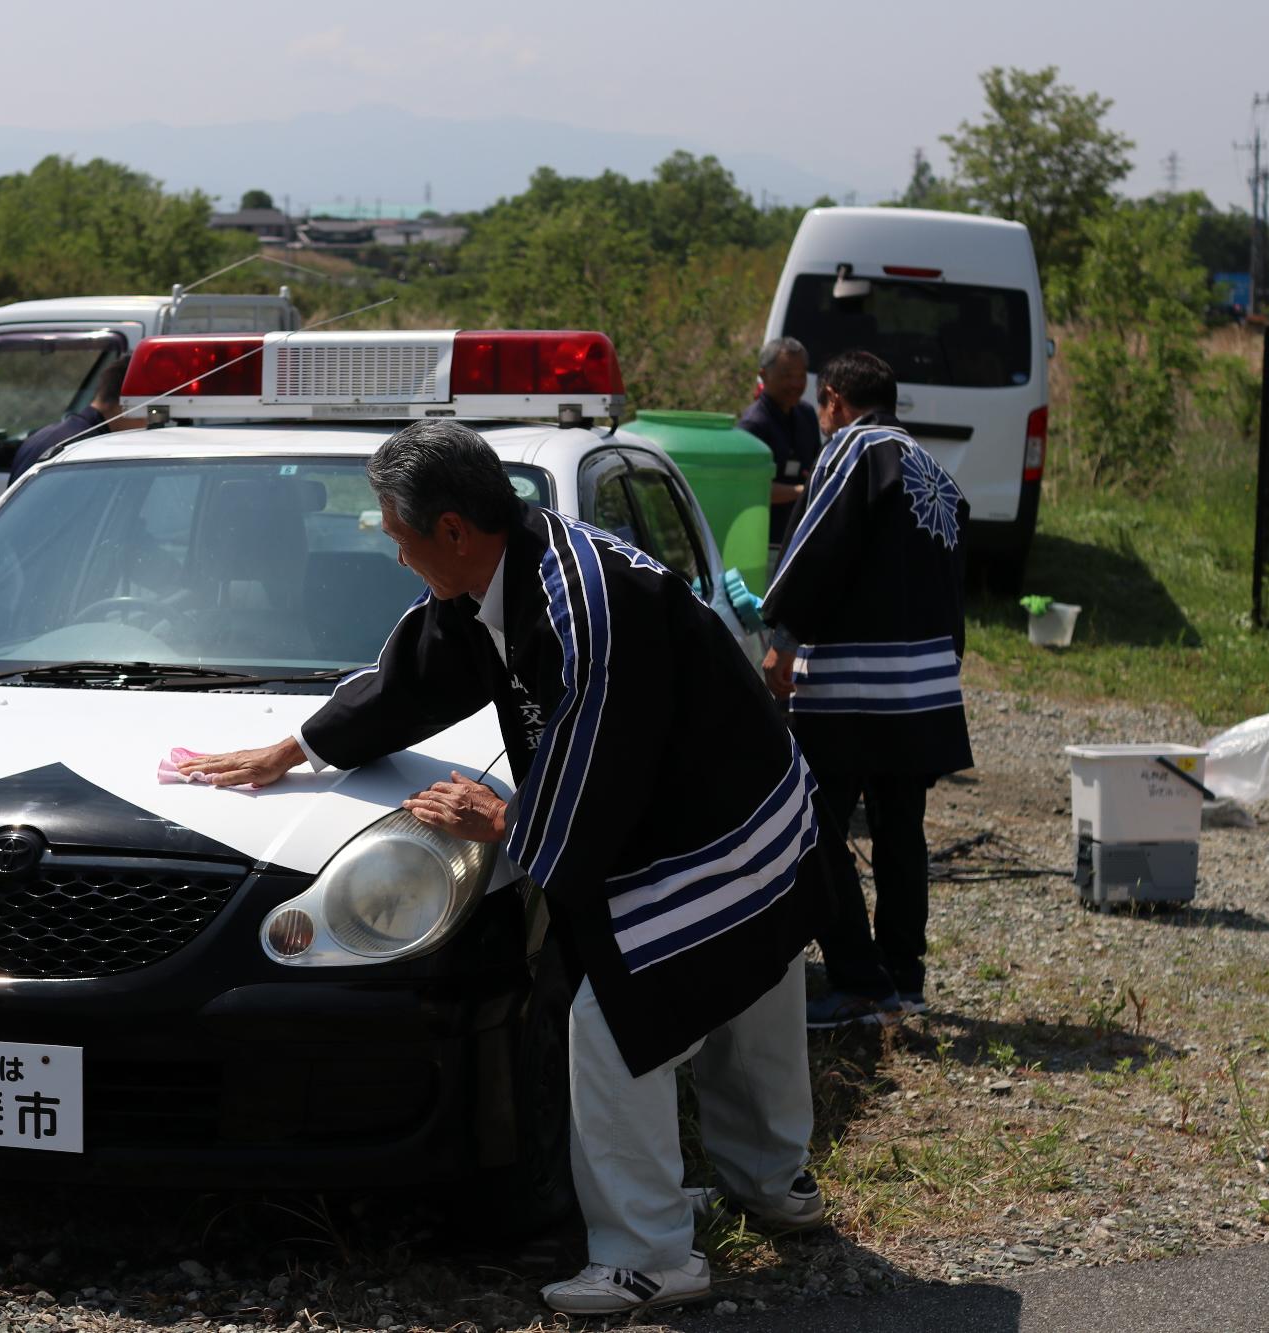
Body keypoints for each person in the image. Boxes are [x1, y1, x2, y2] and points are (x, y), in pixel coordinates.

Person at [178, 419, 824, 1315]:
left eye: (399, 539)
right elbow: (416, 679)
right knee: (746, 986)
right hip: (714, 801)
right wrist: (298, 746)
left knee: (624, 1010)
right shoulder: (496, 570)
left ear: (451, 529)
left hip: (726, 819)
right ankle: (771, 1184)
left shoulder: (584, 600)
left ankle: (651, 1254)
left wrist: (506, 817)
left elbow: (600, 759)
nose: (398, 560)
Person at [759, 351, 973, 1028]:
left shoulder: (855, 449)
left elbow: (817, 546)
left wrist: (782, 638)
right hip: (923, 685)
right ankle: (903, 977)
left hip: (855, 687)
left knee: (815, 828)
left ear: (834, 403)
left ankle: (857, 980)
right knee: (900, 835)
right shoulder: (930, 467)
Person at [737, 336, 821, 556]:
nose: (795, 384)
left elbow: (815, 467)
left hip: (799, 536)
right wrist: (802, 491)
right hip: (763, 541)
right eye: (786, 376)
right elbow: (752, 489)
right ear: (763, 375)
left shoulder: (807, 414)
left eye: (801, 376)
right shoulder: (753, 424)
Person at [6, 355, 134, 484]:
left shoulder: (43, 435)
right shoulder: (90, 450)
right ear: (127, 404)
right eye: (149, 410)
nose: (150, 422)